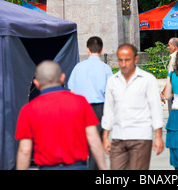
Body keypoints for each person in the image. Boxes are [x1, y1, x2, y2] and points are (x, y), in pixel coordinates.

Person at [15, 61, 108, 170]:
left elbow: (25, 151)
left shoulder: (28, 110)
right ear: (62, 78)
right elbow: (93, 139)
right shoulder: (81, 102)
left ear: (36, 83)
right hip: (78, 167)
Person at [101, 44, 164, 170]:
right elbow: (109, 109)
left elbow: (155, 108)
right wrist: (105, 136)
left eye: (127, 60)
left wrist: (158, 136)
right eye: (120, 60)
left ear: (135, 59)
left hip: (140, 137)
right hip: (118, 136)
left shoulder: (147, 79)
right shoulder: (112, 80)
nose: (123, 64)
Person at [68, 36, 113, 170]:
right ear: (102, 49)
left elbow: (72, 91)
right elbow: (110, 93)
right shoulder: (106, 69)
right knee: (96, 143)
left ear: (87, 49)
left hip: (80, 107)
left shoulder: (78, 67)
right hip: (99, 108)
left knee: (80, 142)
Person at [160, 37, 178, 111]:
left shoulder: (174, 57)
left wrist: (163, 92)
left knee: (173, 115)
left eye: (169, 45)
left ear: (174, 47)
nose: (168, 47)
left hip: (174, 92)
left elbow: (171, 77)